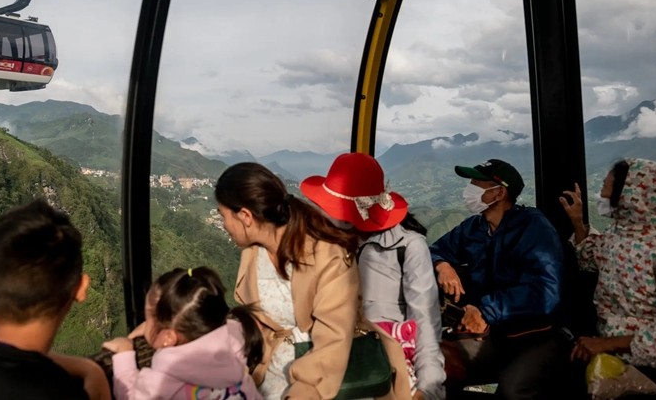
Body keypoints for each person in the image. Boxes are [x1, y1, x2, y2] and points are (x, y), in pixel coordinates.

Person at [215, 162, 411, 400]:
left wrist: (304, 391)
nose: (224, 225)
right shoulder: (252, 253)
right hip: (272, 368)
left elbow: (333, 337)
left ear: (245, 216)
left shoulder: (328, 255)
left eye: (222, 215)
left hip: (327, 376)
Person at [300, 152, 446, 400]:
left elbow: (425, 322)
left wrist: (428, 388)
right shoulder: (331, 241)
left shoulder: (408, 246)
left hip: (380, 365)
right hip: (331, 356)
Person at [0, 199, 108, 400]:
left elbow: (14, 358)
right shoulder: (62, 391)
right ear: (81, 289)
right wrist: (95, 376)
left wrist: (87, 367)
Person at [429, 158, 567, 399]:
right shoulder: (475, 227)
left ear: (499, 193)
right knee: (433, 368)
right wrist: (441, 264)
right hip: (490, 333)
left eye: (476, 184)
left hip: (535, 336)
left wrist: (485, 311)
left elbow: (545, 291)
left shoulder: (534, 228)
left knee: (514, 391)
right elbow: (433, 249)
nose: (468, 189)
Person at [560, 158, 656, 396]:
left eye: (606, 186)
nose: (601, 193)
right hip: (607, 351)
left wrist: (606, 344)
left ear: (630, 195)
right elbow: (590, 256)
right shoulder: (616, 235)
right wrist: (577, 220)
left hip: (653, 367)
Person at [102, 266, 263, 400]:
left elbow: (131, 395)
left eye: (148, 318)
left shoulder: (168, 379)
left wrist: (124, 353)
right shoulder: (233, 342)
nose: (145, 324)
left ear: (168, 338)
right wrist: (156, 328)